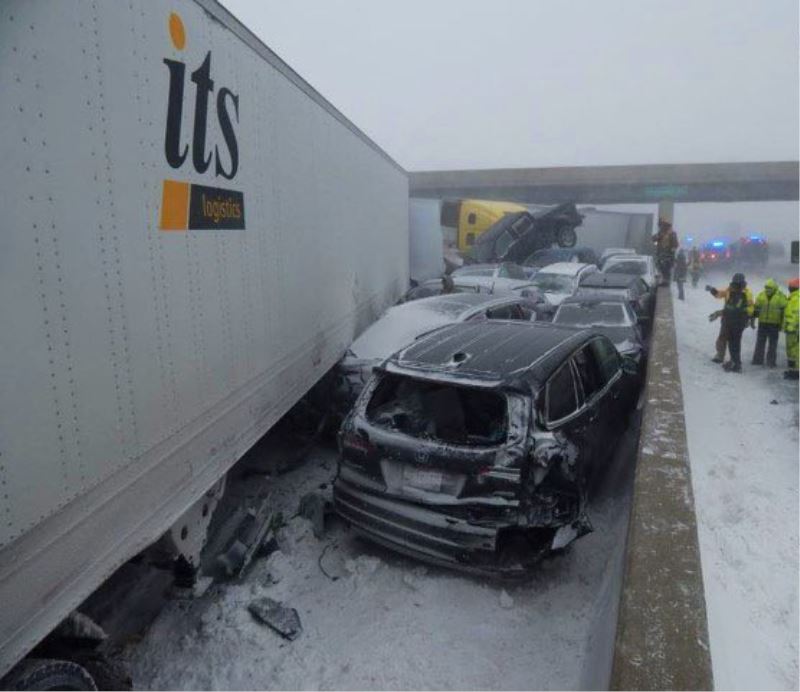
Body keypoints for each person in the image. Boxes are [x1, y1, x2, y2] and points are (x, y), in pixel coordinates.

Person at [706, 272, 754, 372]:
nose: (734, 285)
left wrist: (747, 317)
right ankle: (720, 356)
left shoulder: (746, 294)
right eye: (734, 283)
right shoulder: (730, 290)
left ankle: (735, 362)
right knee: (723, 337)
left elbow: (748, 307)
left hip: (737, 320)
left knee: (734, 342)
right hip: (728, 319)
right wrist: (712, 290)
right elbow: (720, 294)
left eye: (736, 283)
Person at [751, 278, 787, 367]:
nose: (768, 290)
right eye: (766, 288)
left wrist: (782, 325)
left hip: (774, 324)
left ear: (774, 288)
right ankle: (759, 360)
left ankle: (770, 361)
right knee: (761, 342)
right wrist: (752, 320)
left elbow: (784, 312)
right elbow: (756, 309)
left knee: (772, 344)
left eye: (769, 288)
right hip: (763, 323)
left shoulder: (780, 297)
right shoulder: (762, 296)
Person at [652, 218, 679, 285]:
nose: (660, 227)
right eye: (660, 226)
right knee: (661, 267)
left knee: (666, 268)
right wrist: (656, 242)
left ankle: (666, 281)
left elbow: (675, 244)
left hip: (667, 255)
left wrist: (672, 249)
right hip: (661, 254)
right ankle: (664, 280)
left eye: (662, 225)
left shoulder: (672, 234)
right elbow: (654, 240)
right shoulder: (660, 234)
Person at [783, 278, 799, 380]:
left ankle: (796, 372)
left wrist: (792, 326)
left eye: (790, 286)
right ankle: (793, 369)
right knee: (792, 351)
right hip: (791, 329)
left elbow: (796, 315)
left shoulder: (797, 298)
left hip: (794, 330)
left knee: (796, 351)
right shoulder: (792, 298)